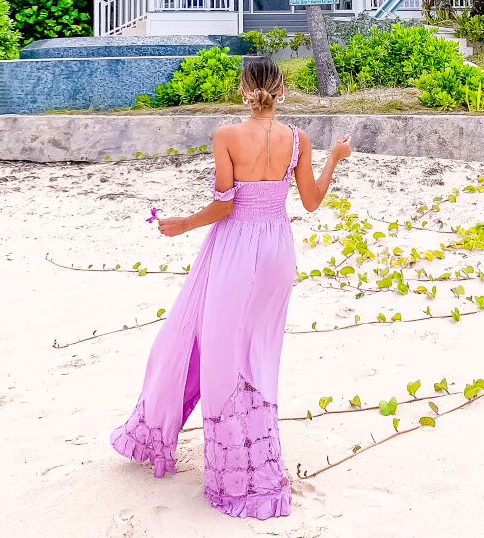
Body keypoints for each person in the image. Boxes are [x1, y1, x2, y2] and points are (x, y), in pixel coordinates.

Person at [110, 56, 351, 518]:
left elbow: (224, 205)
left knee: (218, 349)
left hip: (237, 247)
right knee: (258, 352)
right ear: (281, 91)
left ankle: (233, 468)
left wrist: (182, 225)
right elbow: (312, 202)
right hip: (279, 250)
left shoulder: (226, 135)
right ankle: (254, 451)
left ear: (244, 91)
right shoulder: (298, 138)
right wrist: (335, 159)